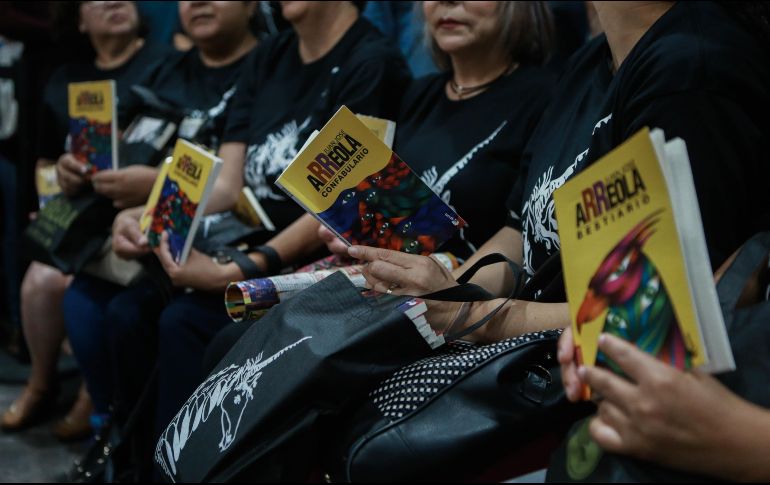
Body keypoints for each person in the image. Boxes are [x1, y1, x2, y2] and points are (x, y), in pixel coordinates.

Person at [347, 0, 770, 347]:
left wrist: (471, 315)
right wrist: (447, 289)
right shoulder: (591, 59)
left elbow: (651, 322)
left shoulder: (693, 71)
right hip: (526, 351)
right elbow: (521, 233)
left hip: (581, 388)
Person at [93, 0, 411, 438]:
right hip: (243, 236)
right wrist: (148, 215)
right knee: (129, 313)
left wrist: (247, 267)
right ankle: (131, 456)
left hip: (316, 253)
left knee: (181, 321)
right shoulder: (270, 53)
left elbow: (344, 204)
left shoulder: (371, 62)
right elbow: (226, 184)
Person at [204, 0, 558, 371]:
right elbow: (382, 203)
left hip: (456, 300)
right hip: (382, 281)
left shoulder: (544, 95)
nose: (448, 3)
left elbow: (521, 231)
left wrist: (450, 293)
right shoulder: (417, 93)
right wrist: (351, 229)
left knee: (248, 353)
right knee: (232, 340)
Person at [59, 0, 261, 436]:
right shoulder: (167, 67)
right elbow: (109, 141)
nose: (199, 3)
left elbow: (235, 186)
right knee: (79, 295)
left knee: (134, 314)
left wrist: (155, 186)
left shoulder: (264, 69)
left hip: (224, 232)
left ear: (253, 5)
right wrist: (73, 166)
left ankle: (137, 441)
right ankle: (112, 429)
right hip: (147, 226)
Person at [1, 0, 171, 440]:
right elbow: (43, 158)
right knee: (39, 280)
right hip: (78, 209)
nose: (114, 2)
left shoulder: (166, 65)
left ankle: (93, 396)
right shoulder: (64, 78)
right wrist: (60, 174)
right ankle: (42, 381)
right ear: (78, 19)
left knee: (76, 285)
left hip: (137, 209)